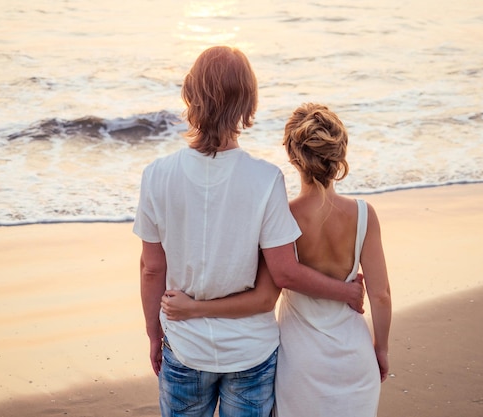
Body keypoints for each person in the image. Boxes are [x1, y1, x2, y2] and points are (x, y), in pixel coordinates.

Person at [133, 47, 365, 417]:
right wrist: (348, 292)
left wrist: (153, 333)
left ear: (190, 95)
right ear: (248, 104)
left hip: (186, 347)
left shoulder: (157, 175)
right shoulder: (266, 180)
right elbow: (276, 280)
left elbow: (151, 269)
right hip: (251, 352)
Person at [162, 103, 392, 417]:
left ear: (291, 154)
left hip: (300, 360)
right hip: (355, 355)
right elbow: (380, 295)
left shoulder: (283, 216)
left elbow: (269, 283)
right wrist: (381, 349)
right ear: (340, 151)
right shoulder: (364, 215)